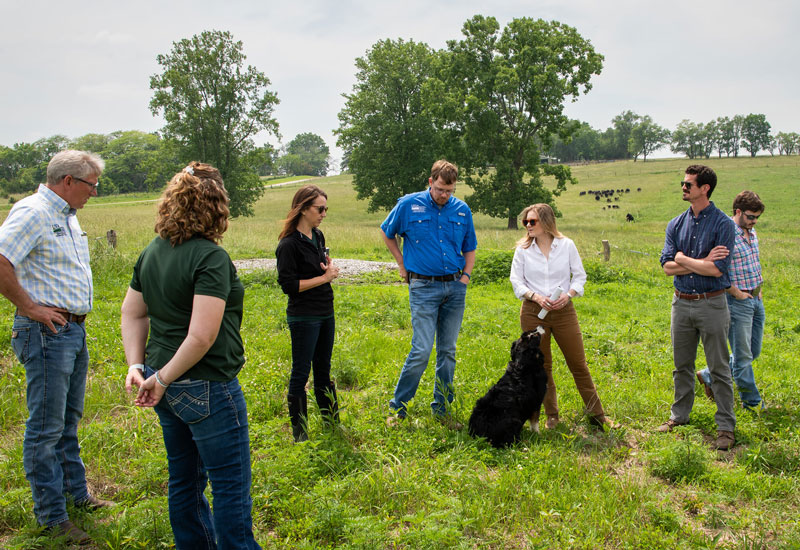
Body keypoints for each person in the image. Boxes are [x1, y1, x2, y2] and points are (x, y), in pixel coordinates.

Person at [121, 162, 260, 550]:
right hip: (206, 383)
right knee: (230, 484)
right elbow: (202, 336)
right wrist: (161, 379)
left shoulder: (153, 251)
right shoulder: (210, 257)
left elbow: (132, 312)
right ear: (216, 205)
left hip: (163, 379)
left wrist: (138, 366)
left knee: (184, 478)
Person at [0, 150, 111, 545]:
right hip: (45, 331)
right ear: (68, 181)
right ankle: (52, 518)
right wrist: (29, 307)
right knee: (45, 428)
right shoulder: (33, 212)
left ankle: (76, 496)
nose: (94, 193)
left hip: (70, 330)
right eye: (91, 185)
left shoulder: (66, 215)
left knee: (67, 421)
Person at [381, 159, 477, 429]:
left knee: (448, 351)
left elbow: (470, 246)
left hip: (455, 287)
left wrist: (466, 277)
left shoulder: (462, 210)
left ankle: (442, 409)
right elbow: (387, 232)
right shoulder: (408, 205)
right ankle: (398, 408)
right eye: (440, 189)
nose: (444, 195)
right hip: (423, 286)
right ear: (430, 182)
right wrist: (401, 264)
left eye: (450, 191)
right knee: (422, 349)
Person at [509, 203, 615, 431]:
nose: (527, 225)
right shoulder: (523, 250)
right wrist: (536, 297)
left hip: (564, 312)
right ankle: (552, 416)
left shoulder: (566, 245)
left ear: (546, 222)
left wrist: (568, 295)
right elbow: (516, 281)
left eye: (532, 221)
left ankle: (598, 415)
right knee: (542, 366)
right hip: (534, 313)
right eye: (525, 222)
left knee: (578, 364)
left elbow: (580, 276)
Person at [658, 164, 737, 451]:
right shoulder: (676, 224)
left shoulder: (724, 224)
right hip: (681, 303)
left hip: (712, 304)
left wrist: (682, 258)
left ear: (705, 188)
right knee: (682, 366)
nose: (683, 187)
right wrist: (700, 261)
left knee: (719, 368)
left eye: (688, 184)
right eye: (683, 183)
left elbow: (717, 269)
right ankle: (679, 416)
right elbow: (667, 267)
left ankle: (725, 427)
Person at [276, 185, 340, 442]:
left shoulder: (318, 236)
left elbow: (320, 271)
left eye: (326, 209)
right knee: (301, 373)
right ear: (303, 209)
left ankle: (332, 424)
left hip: (325, 311)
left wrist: (327, 271)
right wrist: (324, 278)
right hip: (304, 316)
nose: (324, 214)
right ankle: (300, 434)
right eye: (319, 209)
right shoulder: (288, 245)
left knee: (323, 369)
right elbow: (289, 286)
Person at [697, 191, 766, 410]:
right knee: (743, 357)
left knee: (753, 351)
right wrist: (735, 292)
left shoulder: (751, 231)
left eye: (757, 217)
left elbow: (752, 262)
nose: (754, 221)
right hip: (737, 301)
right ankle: (752, 402)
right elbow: (716, 268)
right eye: (751, 217)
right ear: (738, 211)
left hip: (755, 298)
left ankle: (708, 374)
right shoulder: (726, 233)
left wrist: (758, 289)